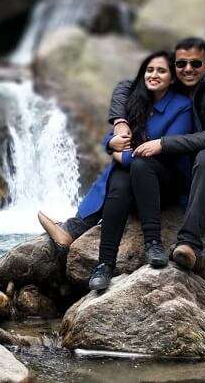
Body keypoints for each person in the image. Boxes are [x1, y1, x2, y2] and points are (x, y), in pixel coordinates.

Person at [39, 37, 205, 275]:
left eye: (195, 64)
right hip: (176, 160)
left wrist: (161, 144)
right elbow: (126, 87)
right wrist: (120, 124)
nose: (188, 69)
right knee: (124, 174)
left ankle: (189, 243)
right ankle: (88, 243)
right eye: (181, 64)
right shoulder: (174, 83)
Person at [38, 50, 193, 290]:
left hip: (166, 180)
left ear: (172, 78)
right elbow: (113, 139)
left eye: (161, 71)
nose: (154, 75)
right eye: (149, 70)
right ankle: (105, 264)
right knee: (120, 182)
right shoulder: (137, 100)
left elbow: (168, 149)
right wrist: (111, 144)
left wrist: (123, 155)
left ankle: (153, 243)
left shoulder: (182, 106)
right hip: (134, 176)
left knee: (136, 166)